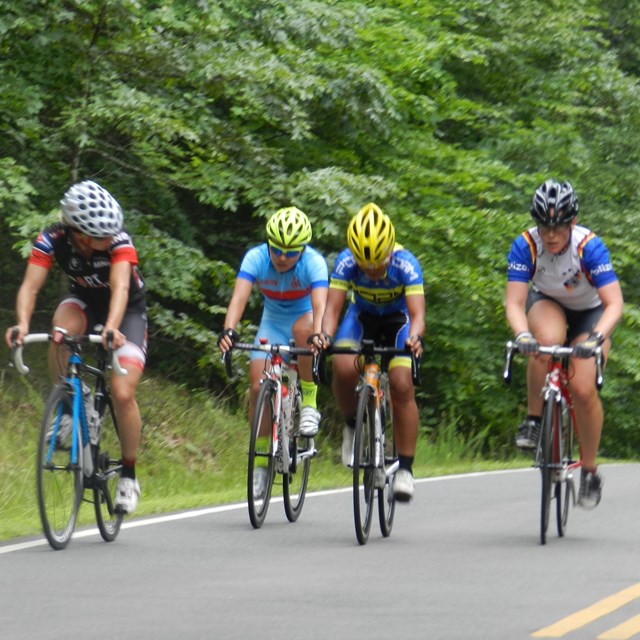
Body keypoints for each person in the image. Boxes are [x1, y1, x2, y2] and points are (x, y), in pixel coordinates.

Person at [5, 180, 147, 514]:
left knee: (122, 392)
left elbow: (121, 288)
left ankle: (128, 474)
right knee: (59, 333)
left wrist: (112, 327)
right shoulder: (52, 239)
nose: (111, 238)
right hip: (82, 302)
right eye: (102, 235)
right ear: (80, 234)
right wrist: (22, 324)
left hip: (126, 312)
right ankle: (72, 405)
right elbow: (30, 286)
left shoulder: (120, 242)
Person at [505, 179, 623, 509]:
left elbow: (614, 303)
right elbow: (515, 302)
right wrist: (521, 335)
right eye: (544, 226)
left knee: (583, 387)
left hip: (590, 312)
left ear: (572, 222)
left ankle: (589, 471)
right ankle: (533, 420)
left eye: (558, 226)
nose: (551, 235)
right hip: (548, 303)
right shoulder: (526, 245)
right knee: (543, 344)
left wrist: (598, 339)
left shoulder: (589, 247)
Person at [315, 202, 425, 502]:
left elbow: (417, 315)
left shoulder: (406, 263)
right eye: (366, 266)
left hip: (397, 322)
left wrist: (415, 338)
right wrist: (324, 335)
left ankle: (405, 469)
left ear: (390, 250)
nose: (373, 271)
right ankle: (352, 423)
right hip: (361, 318)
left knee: (402, 384)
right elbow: (333, 308)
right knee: (342, 364)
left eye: (379, 264)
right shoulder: (346, 262)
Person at [217, 206, 328, 498]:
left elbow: (320, 306)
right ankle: (262, 463)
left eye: (291, 253)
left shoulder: (314, 263)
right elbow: (239, 298)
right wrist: (229, 329)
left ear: (302, 250)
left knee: (304, 332)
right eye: (277, 250)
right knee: (257, 385)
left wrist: (318, 334)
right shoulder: (255, 257)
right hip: (273, 322)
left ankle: (309, 404)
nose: (282, 257)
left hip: (304, 320)